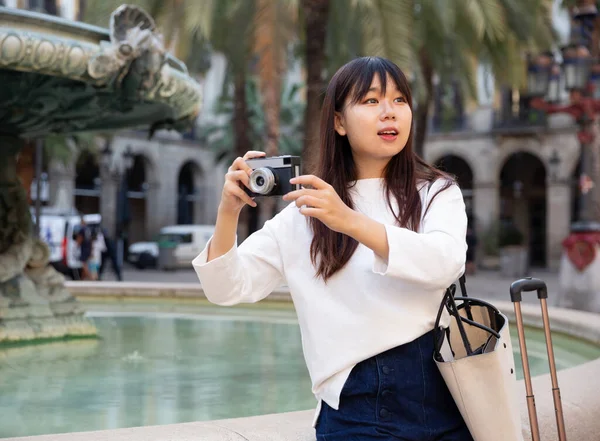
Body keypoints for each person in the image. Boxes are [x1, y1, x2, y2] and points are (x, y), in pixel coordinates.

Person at [193, 57, 472, 440]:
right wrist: (229, 211)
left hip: (441, 397)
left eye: (399, 100)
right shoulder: (305, 213)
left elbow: (446, 262)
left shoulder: (436, 193)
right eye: (371, 101)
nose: (389, 113)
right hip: (355, 410)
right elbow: (226, 289)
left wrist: (348, 220)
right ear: (339, 121)